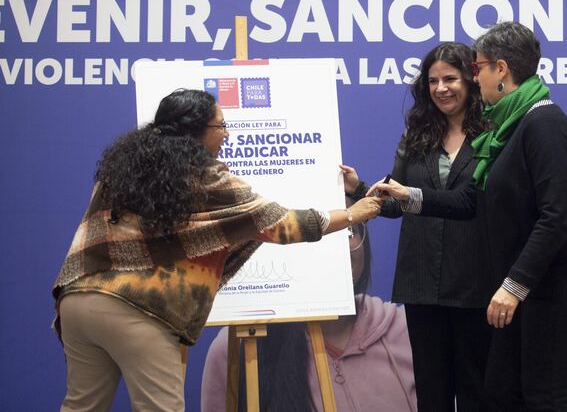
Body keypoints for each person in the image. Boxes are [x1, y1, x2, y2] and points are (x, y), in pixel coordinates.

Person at [52, 89, 381, 412]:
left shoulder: (121, 172)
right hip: (138, 309)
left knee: (82, 406)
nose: (226, 135)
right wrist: (354, 213)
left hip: (78, 301)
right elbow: (283, 223)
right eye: (220, 126)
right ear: (195, 131)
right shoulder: (205, 180)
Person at [369, 22, 567, 412]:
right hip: (523, 287)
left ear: (501, 69)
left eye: (477, 68)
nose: (474, 77)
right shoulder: (509, 126)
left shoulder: (543, 123)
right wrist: (405, 194)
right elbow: (470, 201)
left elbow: (556, 217)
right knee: (503, 393)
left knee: (543, 396)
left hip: (549, 287)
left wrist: (513, 286)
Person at [341, 42, 492, 412]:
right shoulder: (416, 134)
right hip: (422, 282)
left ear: (472, 79)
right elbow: (397, 205)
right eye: (433, 80)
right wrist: (360, 189)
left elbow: (479, 203)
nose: (441, 88)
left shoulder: (494, 131)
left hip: (475, 282)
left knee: (478, 391)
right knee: (431, 392)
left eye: (451, 78)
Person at [201, 211, 417, 412]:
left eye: (349, 228)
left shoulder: (410, 331)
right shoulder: (237, 347)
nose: (335, 245)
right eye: (319, 231)